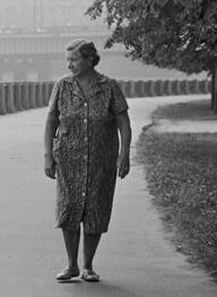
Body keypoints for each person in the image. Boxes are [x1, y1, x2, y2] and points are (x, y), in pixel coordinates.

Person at [44, 39, 132, 283]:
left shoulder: (109, 86)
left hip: (101, 160)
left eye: (74, 59)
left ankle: (88, 266)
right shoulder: (62, 86)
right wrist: (48, 156)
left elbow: (124, 123)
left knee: (95, 210)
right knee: (69, 208)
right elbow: (51, 120)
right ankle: (71, 265)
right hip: (68, 159)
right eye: (68, 59)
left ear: (90, 59)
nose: (69, 64)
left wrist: (124, 154)